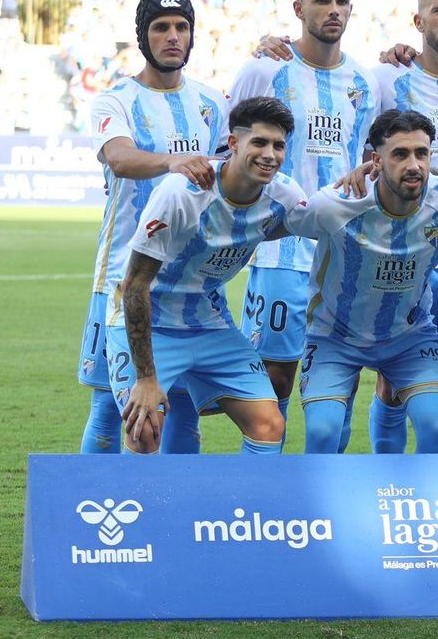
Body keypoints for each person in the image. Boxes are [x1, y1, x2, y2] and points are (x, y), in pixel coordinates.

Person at [252, 0, 438, 453]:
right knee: (380, 376)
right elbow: (363, 130)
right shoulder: (382, 78)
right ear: (418, 22)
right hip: (382, 244)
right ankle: (385, 480)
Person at [229, 0, 378, 451]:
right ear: (298, 7)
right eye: (322, 0)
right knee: (274, 379)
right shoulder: (264, 69)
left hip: (344, 254)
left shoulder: (364, 81)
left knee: (339, 382)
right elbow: (227, 146)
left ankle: (326, 489)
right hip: (280, 253)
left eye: (342, 1)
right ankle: (267, 492)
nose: (334, 10)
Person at [286, 109, 438, 454]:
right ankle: (324, 506)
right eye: (400, 154)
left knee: (437, 425)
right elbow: (283, 222)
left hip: (409, 336)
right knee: (323, 433)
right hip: (334, 335)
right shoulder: (334, 205)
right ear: (376, 160)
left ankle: (421, 505)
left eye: (421, 153)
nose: (413, 164)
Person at [78, 0, 226, 456]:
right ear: (142, 36)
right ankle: (93, 504)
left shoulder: (211, 103)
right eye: (161, 27)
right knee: (110, 405)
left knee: (181, 403)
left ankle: (176, 511)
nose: (173, 36)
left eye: (181, 27)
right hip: (122, 278)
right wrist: (174, 163)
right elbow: (119, 159)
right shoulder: (115, 100)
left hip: (189, 282)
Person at [110, 97, 301, 455]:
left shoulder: (285, 195)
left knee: (269, 423)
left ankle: (250, 509)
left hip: (210, 323)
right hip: (152, 324)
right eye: (258, 142)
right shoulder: (181, 194)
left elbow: (325, 218)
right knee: (144, 428)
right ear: (233, 144)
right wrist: (147, 378)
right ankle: (146, 510)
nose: (270, 154)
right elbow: (136, 285)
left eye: (278, 145)